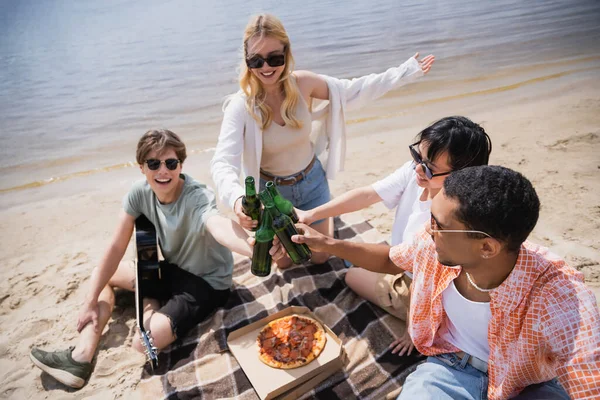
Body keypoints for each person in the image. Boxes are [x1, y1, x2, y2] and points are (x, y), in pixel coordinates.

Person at [290, 165, 600, 399]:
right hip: (450, 367)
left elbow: (588, 377)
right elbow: (391, 259)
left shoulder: (559, 296)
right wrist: (327, 244)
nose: (427, 230)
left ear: (487, 247)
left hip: (529, 384)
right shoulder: (431, 244)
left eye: (439, 225)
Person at [29, 129, 253, 389]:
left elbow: (219, 225)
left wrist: (252, 246)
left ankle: (150, 299)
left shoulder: (197, 196)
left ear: (181, 164)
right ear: (141, 168)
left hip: (206, 283)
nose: (163, 171)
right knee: (100, 276)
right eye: (154, 164)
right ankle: (81, 356)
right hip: (172, 270)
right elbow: (115, 247)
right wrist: (89, 301)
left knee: (143, 343)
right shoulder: (139, 193)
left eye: (171, 163)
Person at [210, 13, 435, 266]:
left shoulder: (303, 84)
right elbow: (222, 162)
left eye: (274, 58)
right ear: (247, 59)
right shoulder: (241, 106)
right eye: (256, 60)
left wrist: (405, 72)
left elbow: (352, 90)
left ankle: (319, 218)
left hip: (312, 183)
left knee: (320, 256)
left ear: (286, 53)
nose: (266, 67)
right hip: (270, 195)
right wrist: (238, 199)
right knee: (283, 261)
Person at [296, 116, 492, 357]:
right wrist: (310, 214)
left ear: (461, 175)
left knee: (352, 276)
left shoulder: (449, 221)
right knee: (359, 265)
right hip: (402, 265)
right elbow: (369, 194)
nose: (419, 168)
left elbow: (424, 285)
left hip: (424, 290)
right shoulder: (416, 172)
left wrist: (414, 329)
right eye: (418, 156)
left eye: (430, 168)